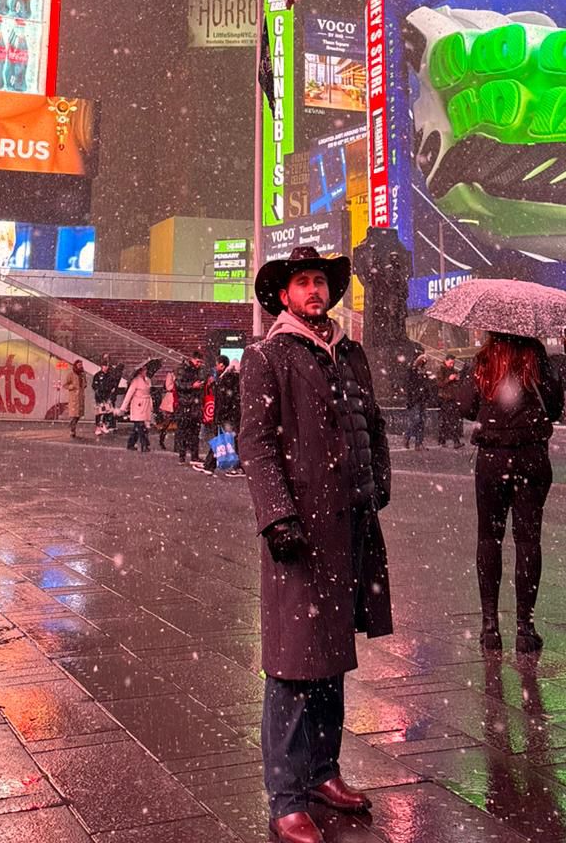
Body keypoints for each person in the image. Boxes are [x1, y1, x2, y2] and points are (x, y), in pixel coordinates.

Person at [240, 247, 391, 843]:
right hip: (300, 532)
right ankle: (286, 796)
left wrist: (378, 480)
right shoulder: (267, 356)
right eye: (302, 282)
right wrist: (278, 517)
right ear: (284, 295)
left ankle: (323, 771)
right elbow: (256, 445)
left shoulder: (350, 353)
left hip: (349, 525)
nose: (314, 290)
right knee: (293, 662)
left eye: (320, 281)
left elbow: (371, 422)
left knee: (333, 655)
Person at [460, 333, 563, 654]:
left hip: (492, 458)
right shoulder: (537, 358)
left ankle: (490, 626)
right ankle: (524, 628)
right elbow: (555, 408)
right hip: (530, 456)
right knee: (528, 540)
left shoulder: (484, 360)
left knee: (489, 538)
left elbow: (466, 406)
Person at [175, 351, 205, 464]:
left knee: (194, 432)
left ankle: (194, 456)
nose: (199, 364)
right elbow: (178, 385)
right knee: (184, 431)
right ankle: (182, 456)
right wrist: (192, 386)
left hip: (194, 404)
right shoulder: (183, 369)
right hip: (186, 404)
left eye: (200, 362)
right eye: (198, 361)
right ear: (192, 359)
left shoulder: (199, 370)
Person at [120, 362, 154, 452]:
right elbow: (129, 394)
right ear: (140, 371)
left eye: (146, 369)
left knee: (138, 427)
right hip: (137, 405)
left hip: (146, 404)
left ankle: (131, 443)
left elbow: (149, 393)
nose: (145, 371)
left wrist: (151, 406)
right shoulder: (135, 381)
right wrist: (123, 407)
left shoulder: (148, 380)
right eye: (144, 370)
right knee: (140, 426)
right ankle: (144, 444)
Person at [436, 355, 465, 448]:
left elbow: (457, 384)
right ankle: (455, 441)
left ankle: (442, 440)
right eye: (450, 363)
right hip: (445, 398)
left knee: (446, 420)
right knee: (450, 420)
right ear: (446, 361)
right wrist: (449, 379)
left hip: (452, 397)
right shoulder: (441, 370)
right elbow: (439, 384)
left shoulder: (453, 370)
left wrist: (456, 380)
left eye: (453, 363)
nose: (452, 365)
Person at [402, 352, 429, 450]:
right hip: (415, 399)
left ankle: (418, 442)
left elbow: (425, 385)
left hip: (421, 399)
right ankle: (408, 437)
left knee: (421, 421)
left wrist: (425, 394)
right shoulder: (412, 371)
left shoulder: (422, 372)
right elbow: (409, 385)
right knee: (416, 420)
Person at [92, 357, 121, 437]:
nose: (106, 367)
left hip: (107, 396)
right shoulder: (97, 375)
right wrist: (98, 391)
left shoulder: (109, 375)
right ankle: (98, 427)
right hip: (99, 396)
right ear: (102, 366)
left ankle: (104, 424)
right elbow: (94, 385)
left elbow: (113, 384)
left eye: (107, 366)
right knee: (99, 412)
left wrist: (112, 389)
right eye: (105, 366)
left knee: (106, 412)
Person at [63, 359, 86, 440]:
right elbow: (65, 385)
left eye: (81, 365)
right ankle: (72, 430)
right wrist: (71, 387)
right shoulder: (71, 374)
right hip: (73, 397)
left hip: (80, 397)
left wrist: (83, 386)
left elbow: (85, 383)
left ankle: (72, 426)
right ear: (76, 365)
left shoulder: (83, 374)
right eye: (79, 365)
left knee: (78, 415)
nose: (80, 366)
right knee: (74, 415)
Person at [157, 368, 176, 449]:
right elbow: (168, 387)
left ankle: (178, 444)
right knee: (167, 422)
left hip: (178, 399)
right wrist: (176, 383)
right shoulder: (170, 375)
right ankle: (162, 439)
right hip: (170, 400)